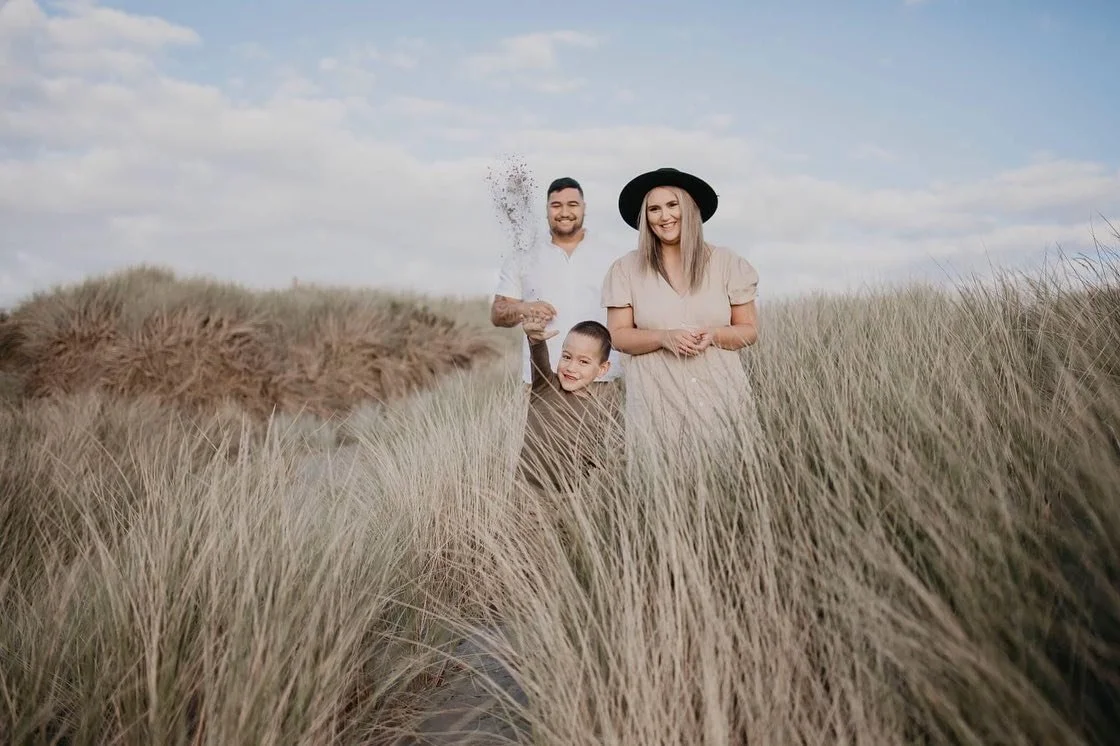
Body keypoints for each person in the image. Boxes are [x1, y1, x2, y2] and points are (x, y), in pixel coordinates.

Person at [601, 167, 760, 462]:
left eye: (672, 205)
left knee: (729, 485)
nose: (664, 216)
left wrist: (714, 334)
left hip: (721, 399)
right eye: (654, 209)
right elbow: (617, 336)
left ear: (690, 208)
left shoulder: (727, 262)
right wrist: (663, 338)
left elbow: (748, 330)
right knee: (662, 490)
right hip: (656, 401)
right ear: (645, 218)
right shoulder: (625, 269)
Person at [491, 176, 624, 392]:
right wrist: (525, 308)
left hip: (601, 380)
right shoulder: (524, 256)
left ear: (584, 208)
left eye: (572, 205)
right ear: (546, 209)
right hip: (542, 379)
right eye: (556, 205)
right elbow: (498, 314)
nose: (564, 212)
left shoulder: (612, 256)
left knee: (605, 428)